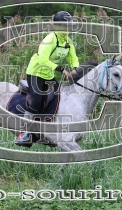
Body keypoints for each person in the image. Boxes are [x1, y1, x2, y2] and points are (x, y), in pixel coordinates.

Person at [15, 11, 79, 146]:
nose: (68, 28)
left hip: (48, 75)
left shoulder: (68, 42)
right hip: (35, 72)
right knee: (37, 99)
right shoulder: (50, 39)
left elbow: (73, 58)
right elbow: (43, 60)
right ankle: (24, 133)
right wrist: (61, 69)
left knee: (60, 96)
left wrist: (74, 68)